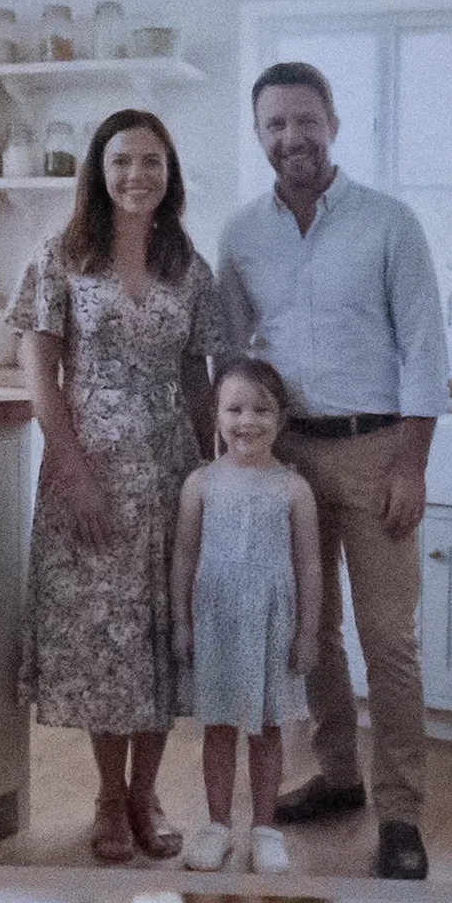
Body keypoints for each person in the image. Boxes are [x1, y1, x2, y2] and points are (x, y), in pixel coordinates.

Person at [207, 62, 448, 878]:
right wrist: (238, 460)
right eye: (274, 125)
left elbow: (425, 348)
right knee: (312, 633)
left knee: (390, 640)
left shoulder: (388, 223)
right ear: (259, 134)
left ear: (334, 122)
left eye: (304, 121)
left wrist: (412, 461)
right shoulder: (239, 235)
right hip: (287, 457)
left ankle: (402, 813)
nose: (291, 138)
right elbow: (236, 358)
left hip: (378, 449)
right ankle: (341, 778)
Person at [10, 106, 234, 865]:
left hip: (173, 474)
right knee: (105, 640)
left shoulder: (188, 266)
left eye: (152, 162)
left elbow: (198, 380)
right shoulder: (59, 258)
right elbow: (40, 370)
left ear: (169, 176)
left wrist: (219, 474)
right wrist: (72, 470)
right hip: (92, 470)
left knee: (160, 635)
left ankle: (149, 793)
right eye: (122, 162)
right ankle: (109, 796)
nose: (137, 174)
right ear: (98, 175)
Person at [166, 356, 320, 871]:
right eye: (234, 409)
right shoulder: (200, 484)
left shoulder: (294, 489)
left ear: (281, 418)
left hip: (272, 627)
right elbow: (185, 556)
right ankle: (216, 825)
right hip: (218, 624)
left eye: (261, 410)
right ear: (215, 415)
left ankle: (265, 827)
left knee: (267, 729)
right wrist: (182, 622)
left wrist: (308, 631)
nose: (247, 421)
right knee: (219, 728)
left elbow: (310, 564)